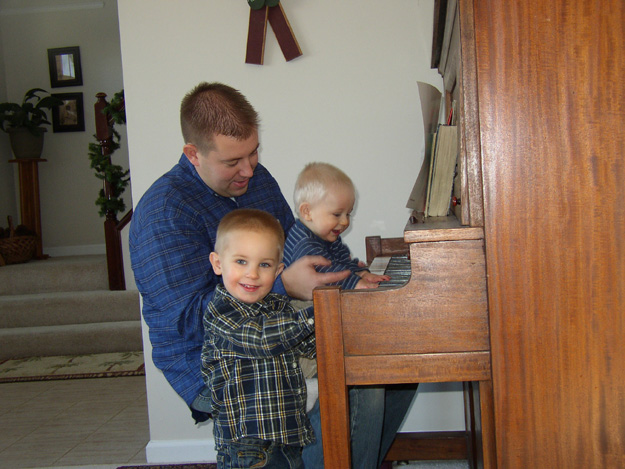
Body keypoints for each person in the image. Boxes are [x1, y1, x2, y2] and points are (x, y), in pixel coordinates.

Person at [129, 82, 415, 468]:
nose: (249, 169)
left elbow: (297, 249)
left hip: (278, 327)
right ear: (193, 154)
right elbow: (188, 323)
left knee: (395, 357)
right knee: (356, 377)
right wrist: (284, 284)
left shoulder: (256, 180)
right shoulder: (163, 212)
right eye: (233, 162)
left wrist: (347, 274)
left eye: (254, 152)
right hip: (213, 358)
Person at [202, 208, 316, 468]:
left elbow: (309, 345)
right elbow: (262, 339)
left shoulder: (279, 308)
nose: (252, 274)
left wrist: (339, 328)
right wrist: (316, 314)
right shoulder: (221, 312)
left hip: (286, 437)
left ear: (277, 270)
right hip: (247, 444)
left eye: (264, 264)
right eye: (241, 261)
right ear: (218, 263)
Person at [284, 162, 390, 289]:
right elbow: (326, 273)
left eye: (348, 214)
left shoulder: (328, 236)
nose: (345, 221)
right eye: (337, 214)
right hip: (295, 304)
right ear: (307, 212)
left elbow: (343, 262)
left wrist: (361, 273)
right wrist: (356, 284)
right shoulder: (304, 243)